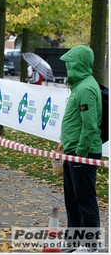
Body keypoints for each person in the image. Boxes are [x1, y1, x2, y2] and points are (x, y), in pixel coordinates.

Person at [56, 45, 103, 253]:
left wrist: (81, 154)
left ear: (79, 63)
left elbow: (90, 125)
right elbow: (75, 121)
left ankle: (89, 245)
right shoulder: (79, 86)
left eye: (70, 63)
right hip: (72, 150)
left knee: (84, 199)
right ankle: (74, 242)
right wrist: (64, 141)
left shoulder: (85, 88)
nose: (67, 68)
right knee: (72, 199)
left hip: (82, 154)